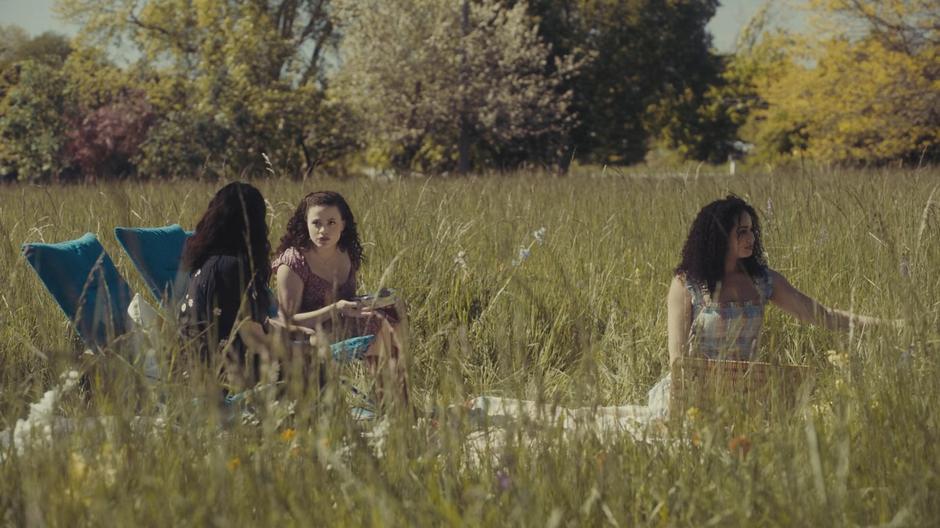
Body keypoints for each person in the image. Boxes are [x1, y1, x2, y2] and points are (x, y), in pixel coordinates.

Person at [666, 194, 886, 367]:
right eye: (742, 231)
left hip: (749, 388)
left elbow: (824, 316)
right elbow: (677, 359)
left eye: (752, 230)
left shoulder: (764, 281)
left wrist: (888, 326)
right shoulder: (687, 284)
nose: (751, 238)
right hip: (698, 388)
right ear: (719, 236)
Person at [271, 191, 409, 408]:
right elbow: (287, 321)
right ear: (305, 224)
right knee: (380, 325)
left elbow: (347, 300)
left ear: (343, 225)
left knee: (392, 314)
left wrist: (367, 302)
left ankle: (397, 400)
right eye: (316, 223)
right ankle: (392, 405)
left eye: (331, 222)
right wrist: (336, 309)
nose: (323, 230)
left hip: (340, 323)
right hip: (307, 334)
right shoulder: (293, 261)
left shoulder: (346, 253)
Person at [177, 182, 272, 390]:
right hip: (222, 381)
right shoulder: (230, 269)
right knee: (315, 369)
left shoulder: (210, 263)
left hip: (197, 371)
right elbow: (255, 340)